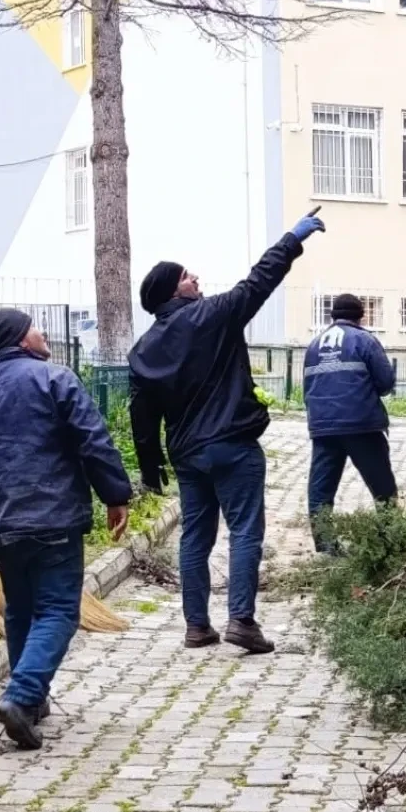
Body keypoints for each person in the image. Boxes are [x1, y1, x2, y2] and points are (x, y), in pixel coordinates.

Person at [129, 213, 326, 655]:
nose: (195, 277)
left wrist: (150, 468)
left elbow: (143, 416)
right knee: (244, 531)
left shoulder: (142, 351)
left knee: (195, 537)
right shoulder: (212, 315)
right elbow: (259, 282)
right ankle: (241, 620)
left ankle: (196, 627)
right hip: (233, 445)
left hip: (187, 455)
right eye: (185, 275)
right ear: (171, 290)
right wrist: (292, 240)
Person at [0, 309, 131, 750]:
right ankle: (21, 695)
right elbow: (93, 439)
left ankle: (32, 702)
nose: (42, 332)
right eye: (33, 326)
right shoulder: (54, 379)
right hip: (53, 517)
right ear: (18, 338)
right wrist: (115, 495)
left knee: (21, 608)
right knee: (59, 612)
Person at [303, 294, 398, 553]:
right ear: (361, 315)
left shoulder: (313, 345)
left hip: (323, 426)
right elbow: (385, 383)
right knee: (383, 488)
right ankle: (389, 540)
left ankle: (325, 547)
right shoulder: (364, 340)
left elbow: (307, 387)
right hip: (362, 424)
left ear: (332, 316)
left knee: (321, 489)